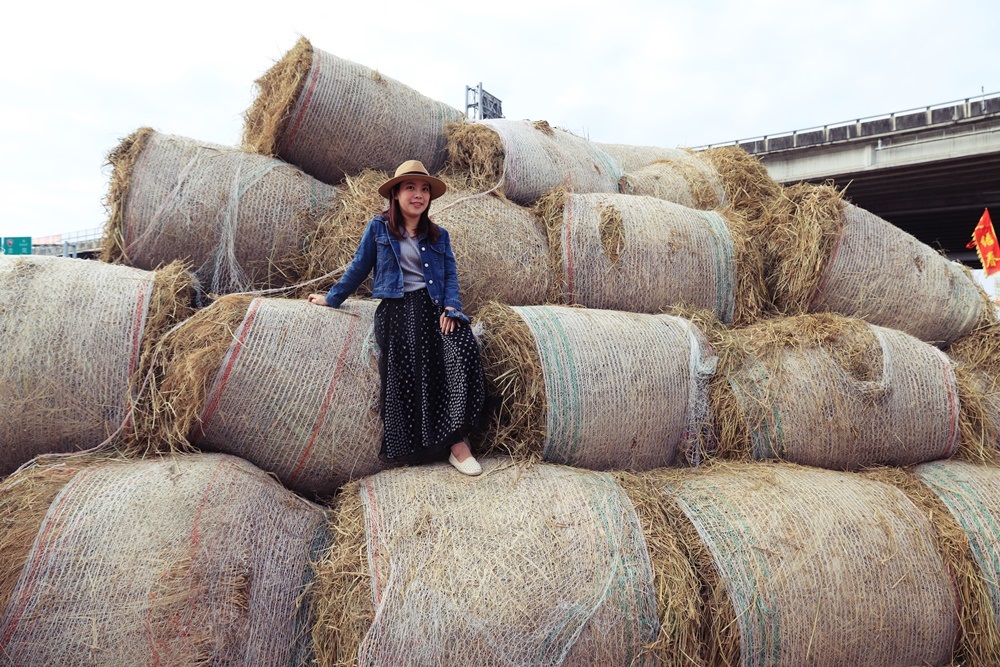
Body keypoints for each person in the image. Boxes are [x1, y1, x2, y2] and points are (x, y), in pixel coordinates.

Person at [308, 160, 485, 475]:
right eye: (411, 188)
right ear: (396, 194)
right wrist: (331, 298)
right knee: (417, 358)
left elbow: (450, 275)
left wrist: (450, 308)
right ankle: (434, 445)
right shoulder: (378, 228)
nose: (418, 195)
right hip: (398, 309)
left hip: (433, 306)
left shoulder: (438, 235)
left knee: (463, 348)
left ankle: (458, 440)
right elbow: (359, 266)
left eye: (424, 189)